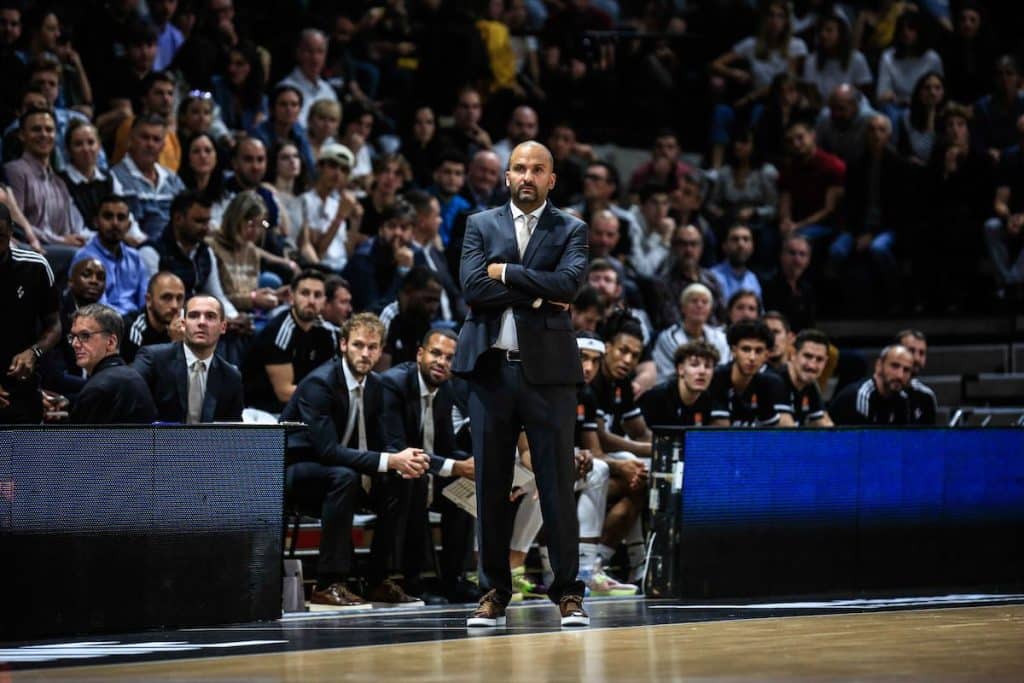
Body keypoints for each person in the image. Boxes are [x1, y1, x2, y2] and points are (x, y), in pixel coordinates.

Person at [452, 140, 589, 627]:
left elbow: (569, 285)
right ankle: (492, 592)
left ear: (552, 179)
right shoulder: (478, 224)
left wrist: (508, 272)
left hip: (550, 376)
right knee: (490, 486)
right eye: (519, 169)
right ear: (506, 176)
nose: (527, 176)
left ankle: (569, 592)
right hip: (489, 370)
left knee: (555, 486)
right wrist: (537, 293)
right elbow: (473, 287)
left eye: (538, 169)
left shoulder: (571, 228)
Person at [279, 312, 431, 606]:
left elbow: (384, 440)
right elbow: (326, 450)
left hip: (343, 467)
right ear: (343, 345)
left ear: (381, 350)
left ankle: (380, 579)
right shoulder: (319, 384)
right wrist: (389, 460)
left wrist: (406, 460)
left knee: (406, 480)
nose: (365, 353)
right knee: (344, 476)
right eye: (359, 345)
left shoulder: (376, 385)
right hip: (299, 470)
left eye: (372, 347)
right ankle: (328, 582)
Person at [379, 327, 476, 603]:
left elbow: (447, 448)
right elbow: (395, 447)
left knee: (467, 484)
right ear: (420, 354)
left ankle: (453, 579)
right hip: (390, 471)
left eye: (449, 358)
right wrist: (456, 466)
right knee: (417, 479)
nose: (441, 362)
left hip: (426, 468)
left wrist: (474, 465)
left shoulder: (446, 389)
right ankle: (413, 581)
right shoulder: (393, 384)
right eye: (435, 353)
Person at [133, 294, 243, 423]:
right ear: (183, 324)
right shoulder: (154, 359)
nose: (202, 322)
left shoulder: (231, 376)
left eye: (210, 316)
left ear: (223, 327)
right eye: (194, 315)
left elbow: (233, 432)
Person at [4, 106, 87, 277]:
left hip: (53, 250)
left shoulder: (60, 182)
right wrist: (62, 241)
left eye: (49, 130)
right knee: (78, 257)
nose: (43, 134)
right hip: (28, 248)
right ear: (22, 135)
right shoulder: (15, 171)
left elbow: (70, 229)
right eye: (36, 129)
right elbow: (14, 224)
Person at [242, 269, 336, 414]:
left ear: (324, 301)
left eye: (317, 295)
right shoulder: (279, 331)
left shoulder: (325, 332)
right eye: (305, 293)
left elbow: (330, 377)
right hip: (263, 410)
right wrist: (329, 395)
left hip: (303, 407)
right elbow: (284, 392)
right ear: (292, 297)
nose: (311, 301)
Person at [0, 203, 60, 424]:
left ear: (11, 231)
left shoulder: (35, 267)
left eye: (0, 236)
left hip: (21, 383)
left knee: (27, 457)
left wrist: (34, 352)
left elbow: (54, 324)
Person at [139, 190, 240, 319]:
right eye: (199, 221)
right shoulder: (151, 253)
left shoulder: (205, 252)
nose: (206, 228)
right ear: (178, 219)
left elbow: (216, 296)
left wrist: (234, 317)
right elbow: (155, 305)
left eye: (207, 222)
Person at [67, 303, 156, 424]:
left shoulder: (98, 388)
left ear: (111, 342)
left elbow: (77, 441)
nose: (75, 344)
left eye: (84, 336)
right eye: (73, 336)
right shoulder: (130, 376)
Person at [110, 112, 186, 239]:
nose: (150, 144)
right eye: (144, 137)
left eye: (156, 139)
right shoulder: (115, 177)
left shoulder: (172, 178)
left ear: (162, 146)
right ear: (131, 140)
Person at [70, 195, 147, 316]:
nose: (115, 223)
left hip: (135, 324)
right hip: (104, 323)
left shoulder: (135, 257)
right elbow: (94, 309)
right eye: (108, 216)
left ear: (129, 225)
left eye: (121, 218)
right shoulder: (85, 258)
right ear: (96, 222)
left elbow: (145, 302)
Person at [709, 319, 793, 427]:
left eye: (758, 351)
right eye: (746, 349)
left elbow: (777, 430)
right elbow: (721, 432)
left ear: (766, 355)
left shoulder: (767, 383)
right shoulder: (716, 377)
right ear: (733, 351)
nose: (752, 357)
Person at [407, 189, 467, 324]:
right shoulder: (409, 256)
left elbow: (455, 294)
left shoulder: (436, 253)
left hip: (454, 324)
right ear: (422, 220)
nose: (440, 221)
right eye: (436, 216)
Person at [299, 142, 360, 273]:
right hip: (323, 268)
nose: (338, 173)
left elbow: (347, 253)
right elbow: (317, 250)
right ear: (320, 167)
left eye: (344, 170)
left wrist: (355, 222)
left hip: (343, 267)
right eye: (333, 166)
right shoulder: (305, 200)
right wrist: (340, 217)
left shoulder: (338, 203)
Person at [651, 283, 730, 383]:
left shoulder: (720, 338)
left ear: (710, 310)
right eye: (694, 301)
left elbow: (722, 371)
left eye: (705, 302)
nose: (699, 305)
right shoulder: (668, 338)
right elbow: (672, 374)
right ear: (683, 308)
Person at [639, 340, 719, 427]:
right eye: (694, 365)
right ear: (680, 369)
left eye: (707, 366)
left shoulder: (709, 399)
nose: (702, 371)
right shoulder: (656, 397)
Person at [828, 345, 913, 425]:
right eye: (894, 366)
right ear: (879, 365)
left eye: (906, 370)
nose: (900, 375)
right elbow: (861, 439)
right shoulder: (861, 396)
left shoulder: (903, 399)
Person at [773, 328, 833, 426]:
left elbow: (827, 426)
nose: (812, 365)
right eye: (808, 356)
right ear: (793, 354)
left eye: (819, 359)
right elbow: (788, 432)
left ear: (826, 362)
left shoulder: (810, 383)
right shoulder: (775, 381)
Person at [277, 29, 338, 127]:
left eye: (320, 52)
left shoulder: (329, 91)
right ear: (298, 53)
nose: (315, 58)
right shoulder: (286, 89)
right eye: (309, 51)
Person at [122, 271, 186, 364]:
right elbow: (136, 375)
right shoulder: (132, 329)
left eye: (179, 298)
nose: (175, 306)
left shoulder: (183, 329)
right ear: (149, 300)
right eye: (167, 297)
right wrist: (175, 345)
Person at [762, 234, 817, 331]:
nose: (797, 259)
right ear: (781, 256)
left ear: (808, 260)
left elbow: (810, 325)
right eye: (792, 253)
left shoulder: (807, 289)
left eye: (802, 254)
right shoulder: (767, 285)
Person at [895, 328, 937, 425]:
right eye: (911, 350)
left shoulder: (927, 396)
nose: (917, 358)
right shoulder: (882, 392)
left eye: (922, 353)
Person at [711, 224, 762, 304]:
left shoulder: (753, 279)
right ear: (724, 246)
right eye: (735, 239)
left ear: (752, 247)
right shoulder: (712, 277)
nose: (741, 244)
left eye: (746, 239)